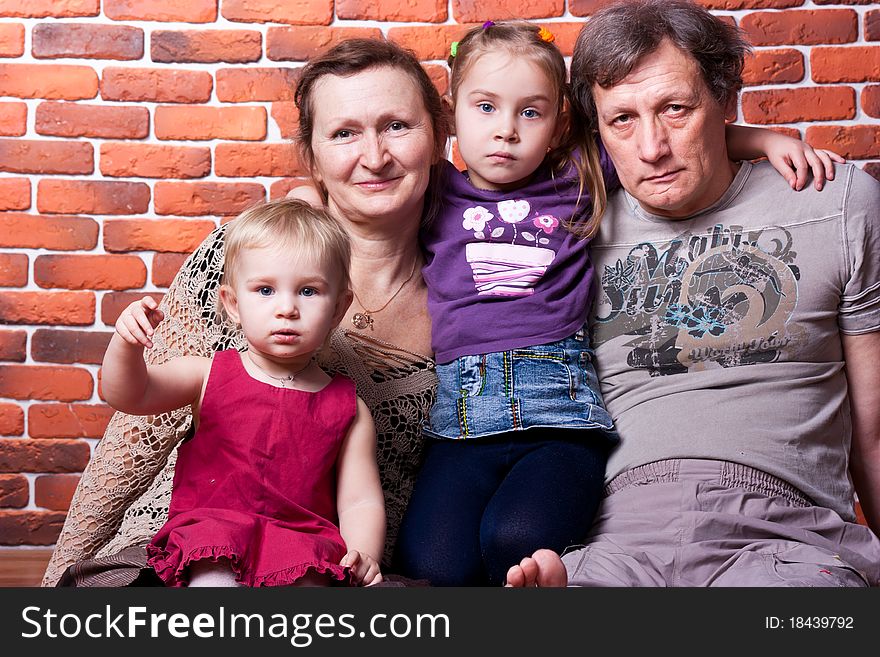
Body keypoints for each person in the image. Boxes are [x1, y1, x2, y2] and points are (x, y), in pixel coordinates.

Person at [392, 20, 845, 587]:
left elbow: (669, 141)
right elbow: (373, 182)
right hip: (461, 424)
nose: (505, 132)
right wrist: (312, 197)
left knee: (516, 543)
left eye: (529, 113)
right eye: (485, 108)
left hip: (559, 416)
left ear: (559, 124)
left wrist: (765, 141)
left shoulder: (580, 177)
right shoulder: (436, 190)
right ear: (451, 112)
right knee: (430, 565)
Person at [41, 38, 446, 587]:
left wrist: (358, 560)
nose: (374, 157)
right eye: (344, 133)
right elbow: (133, 437)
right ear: (314, 157)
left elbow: (366, 498)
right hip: (187, 538)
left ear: (439, 134)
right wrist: (63, 576)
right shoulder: (247, 254)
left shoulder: (480, 285)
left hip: (317, 558)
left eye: (397, 125)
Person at [506, 0, 880, 588]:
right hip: (619, 536)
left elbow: (872, 433)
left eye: (675, 109)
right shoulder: (569, 225)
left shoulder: (834, 204)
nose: (651, 147)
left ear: (726, 101)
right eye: (622, 119)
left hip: (788, 535)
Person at [101, 199, 384, 587]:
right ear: (233, 304)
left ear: (338, 308)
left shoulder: (348, 407)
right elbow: (130, 394)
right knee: (214, 583)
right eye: (265, 290)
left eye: (308, 291)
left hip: (301, 541)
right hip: (214, 533)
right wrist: (126, 344)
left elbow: (359, 500)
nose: (287, 308)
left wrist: (364, 552)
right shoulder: (207, 374)